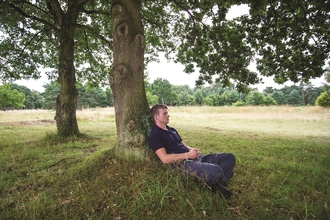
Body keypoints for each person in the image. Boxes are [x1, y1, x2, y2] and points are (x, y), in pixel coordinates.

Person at [148, 104, 236, 198]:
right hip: (182, 164)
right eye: (165, 113)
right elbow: (164, 159)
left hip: (191, 157)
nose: (168, 115)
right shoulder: (155, 135)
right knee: (216, 170)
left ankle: (217, 185)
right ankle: (218, 180)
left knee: (229, 157)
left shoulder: (172, 129)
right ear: (157, 117)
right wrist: (188, 155)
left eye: (167, 113)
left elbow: (183, 145)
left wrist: (192, 150)